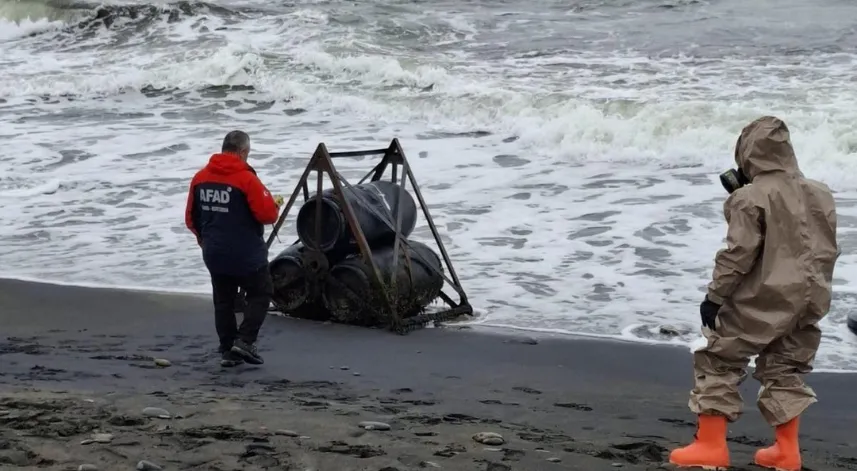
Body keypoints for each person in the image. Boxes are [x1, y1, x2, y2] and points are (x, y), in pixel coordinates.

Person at [668, 116, 840, 471]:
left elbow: (738, 254)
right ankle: (786, 451)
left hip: (764, 295)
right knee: (786, 367)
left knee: (719, 357)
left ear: (748, 154)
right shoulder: (820, 192)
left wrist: (714, 297)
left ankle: (711, 447)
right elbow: (825, 248)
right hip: (811, 296)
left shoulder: (749, 197)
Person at [184, 130, 282, 367]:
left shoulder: (200, 178)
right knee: (261, 293)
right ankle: (245, 341)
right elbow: (267, 214)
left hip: (214, 252)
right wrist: (275, 203)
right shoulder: (246, 179)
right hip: (245, 253)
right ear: (242, 152)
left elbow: (190, 218)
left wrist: (204, 241)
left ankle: (228, 349)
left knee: (223, 301)